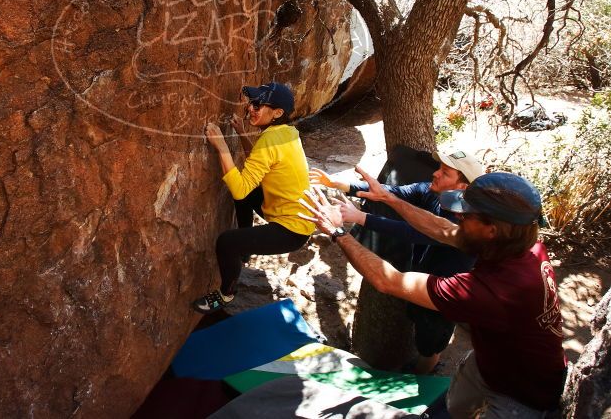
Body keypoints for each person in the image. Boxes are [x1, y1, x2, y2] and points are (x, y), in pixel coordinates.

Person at [300, 168, 567, 418]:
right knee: (450, 408)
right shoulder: (522, 245)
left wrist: (338, 232)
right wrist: (389, 198)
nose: (458, 217)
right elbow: (443, 229)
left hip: (522, 394)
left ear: (491, 230)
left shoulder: (492, 291)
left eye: (467, 214)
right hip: (489, 363)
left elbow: (389, 281)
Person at [310, 150, 484, 373]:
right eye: (439, 168)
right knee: (418, 320)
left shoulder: (465, 222)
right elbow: (393, 192)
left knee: (430, 339)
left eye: (445, 173)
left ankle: (425, 373)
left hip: (444, 291)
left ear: (462, 187)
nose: (436, 173)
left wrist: (358, 217)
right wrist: (339, 184)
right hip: (422, 276)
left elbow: (413, 232)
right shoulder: (433, 192)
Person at [192, 82, 315, 314]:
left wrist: (222, 146)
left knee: (226, 242)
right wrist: (240, 133)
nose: (251, 108)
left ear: (277, 113)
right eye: (251, 103)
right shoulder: (287, 133)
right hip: (295, 215)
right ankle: (245, 249)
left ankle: (226, 295)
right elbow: (262, 162)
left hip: (292, 230)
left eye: (258, 105)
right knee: (247, 191)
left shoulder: (271, 139)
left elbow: (239, 189)